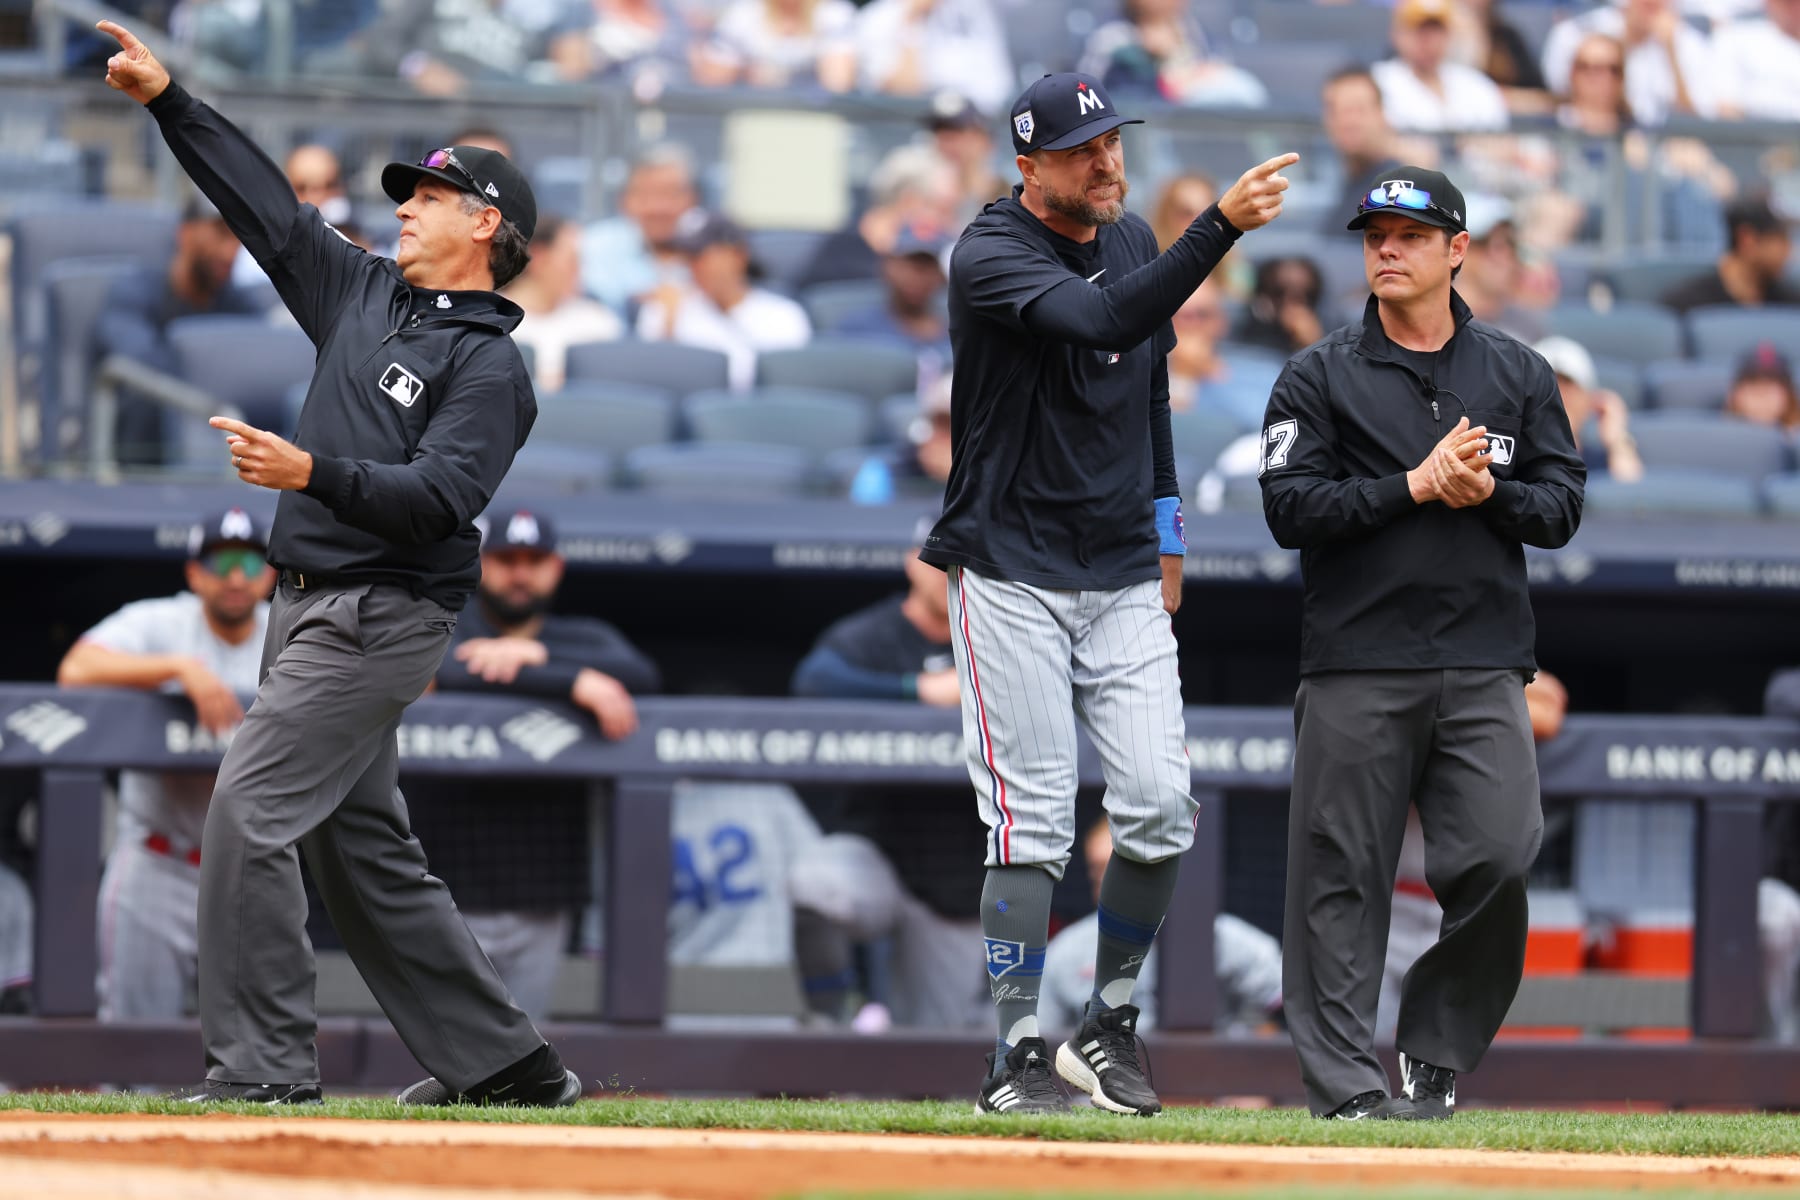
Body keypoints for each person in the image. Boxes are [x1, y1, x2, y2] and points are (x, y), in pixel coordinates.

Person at [98, 20, 577, 1107]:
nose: (403, 205)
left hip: (383, 613)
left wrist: (312, 471)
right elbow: (266, 209)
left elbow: (446, 501)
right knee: (359, 849)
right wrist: (173, 100)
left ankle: (262, 1071)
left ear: (485, 223)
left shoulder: (490, 364)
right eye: (404, 193)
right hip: (304, 607)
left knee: (250, 809)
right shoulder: (361, 294)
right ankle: (508, 1068)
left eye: (429, 195)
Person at [920, 68, 1295, 1115]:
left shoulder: (1134, 239)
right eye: (1082, 149)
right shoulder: (991, 249)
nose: (1106, 160)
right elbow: (1096, 323)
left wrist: (1172, 530)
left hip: (1124, 561)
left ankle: (1107, 1023)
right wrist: (1217, 227)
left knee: (1161, 805)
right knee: (1032, 822)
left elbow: (1149, 392)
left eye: (1113, 141)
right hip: (1010, 562)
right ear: (1028, 165)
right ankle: (1015, 1052)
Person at [1259, 166, 1585, 1120]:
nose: (1387, 250)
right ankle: (1346, 1088)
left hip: (1485, 661)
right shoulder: (1316, 372)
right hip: (1359, 659)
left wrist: (1491, 495)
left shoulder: (1518, 372)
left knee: (1501, 854)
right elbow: (1289, 508)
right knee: (1338, 879)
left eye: (1408, 233)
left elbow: (1562, 507)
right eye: (1373, 235)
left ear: (1457, 250)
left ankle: (1433, 1048)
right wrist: (1414, 485)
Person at [416, 509, 659, 1023]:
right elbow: (438, 668)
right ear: (482, 563)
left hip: (544, 885)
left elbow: (641, 674)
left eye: (535, 560)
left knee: (525, 1059)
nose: (521, 573)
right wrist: (573, 684)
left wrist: (537, 658)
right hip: (443, 882)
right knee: (444, 1052)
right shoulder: (447, 620)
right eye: (507, 559)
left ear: (557, 567)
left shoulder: (583, 638)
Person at [57, 508, 275, 1022]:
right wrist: (177, 668)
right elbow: (76, 670)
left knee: (257, 1048)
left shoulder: (290, 631)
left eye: (249, 561)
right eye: (221, 563)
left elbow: (403, 683)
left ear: (270, 573)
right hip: (157, 862)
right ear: (195, 573)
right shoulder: (161, 622)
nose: (237, 577)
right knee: (135, 1048)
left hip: (254, 871)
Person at [788, 543, 991, 1030]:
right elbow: (814, 681)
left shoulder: (1005, 635)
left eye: (964, 565)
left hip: (959, 872)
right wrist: (918, 691)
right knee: (816, 883)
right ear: (910, 563)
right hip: (877, 848)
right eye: (938, 561)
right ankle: (828, 1015)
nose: (949, 574)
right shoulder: (874, 636)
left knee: (934, 1057)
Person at [1040, 818, 1284, 1039]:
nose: (1109, 880)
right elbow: (1042, 1052)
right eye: (1099, 869)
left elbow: (1284, 1020)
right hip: (1105, 1082)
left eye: (1121, 866)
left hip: (1207, 1079)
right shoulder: (1065, 953)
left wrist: (1251, 1080)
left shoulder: (1224, 939)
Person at [94, 196, 273, 466]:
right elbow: (140, 365)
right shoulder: (134, 293)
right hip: (148, 464)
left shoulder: (242, 305)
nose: (230, 251)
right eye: (220, 232)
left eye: (238, 237)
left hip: (225, 462)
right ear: (185, 233)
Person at [635, 211, 812, 391]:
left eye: (700, 255)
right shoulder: (664, 308)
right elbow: (654, 384)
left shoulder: (784, 314)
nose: (692, 266)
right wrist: (668, 325)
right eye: (686, 257)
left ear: (737, 255)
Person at [794, 142, 960, 291]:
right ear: (909, 201)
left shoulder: (940, 255)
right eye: (942, 210)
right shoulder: (840, 258)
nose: (949, 222)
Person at [1540, 0, 1725, 125]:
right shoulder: (1580, 32)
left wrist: (1671, 51)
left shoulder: (1685, 41)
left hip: (1661, 148)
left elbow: (1697, 121)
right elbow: (1560, 100)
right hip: (1595, 136)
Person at [504, 214, 624, 392]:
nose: (579, 271)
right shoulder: (488, 322)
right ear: (539, 259)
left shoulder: (598, 321)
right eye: (572, 261)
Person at [1076, 0, 1267, 109]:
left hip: (1191, 126)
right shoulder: (1112, 36)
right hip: (1138, 131)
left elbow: (1218, 68)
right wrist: (1151, 63)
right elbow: (1097, 95)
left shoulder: (1194, 30)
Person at [578, 143, 700, 312]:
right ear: (624, 201)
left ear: (692, 199)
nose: (658, 207)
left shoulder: (715, 246)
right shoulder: (591, 246)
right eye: (646, 195)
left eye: (670, 194)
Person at [853, 0, 1013, 115]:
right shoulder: (879, 17)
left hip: (980, 128)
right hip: (907, 132)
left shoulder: (979, 9)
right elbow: (903, 89)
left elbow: (998, 88)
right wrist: (913, 20)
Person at [1372, 0, 1510, 133]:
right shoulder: (1378, 82)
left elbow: (1502, 140)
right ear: (1397, 34)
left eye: (1437, 31)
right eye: (1419, 30)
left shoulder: (1475, 84)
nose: (1429, 40)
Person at [833, 222, 952, 369]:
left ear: (940, 276)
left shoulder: (957, 335)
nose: (916, 278)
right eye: (908, 266)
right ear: (888, 267)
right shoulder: (857, 329)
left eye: (926, 268)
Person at [1166, 278, 1281, 425]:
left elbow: (1267, 429)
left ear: (1221, 323)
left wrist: (1211, 374)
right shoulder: (1142, 378)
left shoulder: (1264, 374)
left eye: (1202, 315)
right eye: (1176, 314)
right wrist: (1182, 380)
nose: (1189, 325)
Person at [1659, 196, 1799, 314]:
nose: (1789, 253)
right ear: (1747, 240)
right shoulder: (1688, 305)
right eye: (1781, 241)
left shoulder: (1789, 305)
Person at [1533, 335, 1645, 482]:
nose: (1558, 396)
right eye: (1548, 385)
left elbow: (1630, 494)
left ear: (1589, 399)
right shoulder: (1512, 458)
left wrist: (1617, 439)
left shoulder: (1603, 463)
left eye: (1568, 386)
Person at [690, 0, 858, 91]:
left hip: (818, 123)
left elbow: (839, 84)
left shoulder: (834, 11)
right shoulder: (743, 11)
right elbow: (711, 81)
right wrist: (748, 72)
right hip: (753, 119)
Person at [926, 91, 1009, 226]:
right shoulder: (918, 186)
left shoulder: (1006, 196)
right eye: (939, 132)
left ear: (984, 139)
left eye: (956, 132)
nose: (946, 141)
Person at [1713, 0, 1800, 122]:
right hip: (1754, 134)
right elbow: (1726, 106)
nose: (1796, 8)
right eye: (1789, 3)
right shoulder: (1737, 36)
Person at [1234, 256, 1327, 359]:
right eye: (1279, 292)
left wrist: (1313, 344)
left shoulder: (1334, 333)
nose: (1294, 303)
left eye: (1308, 294)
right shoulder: (1246, 333)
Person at [1724, 342, 1800, 432]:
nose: (1762, 398)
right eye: (1753, 388)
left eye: (1770, 389)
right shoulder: (1719, 439)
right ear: (1735, 394)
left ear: (1789, 394)